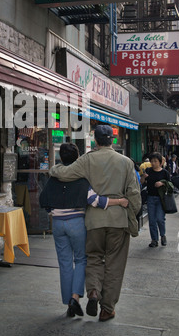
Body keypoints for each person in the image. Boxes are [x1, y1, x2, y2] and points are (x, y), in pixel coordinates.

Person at [50, 125, 141, 322]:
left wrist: (54, 167)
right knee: (115, 264)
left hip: (93, 221)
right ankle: (107, 308)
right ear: (112, 141)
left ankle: (93, 291)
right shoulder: (126, 162)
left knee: (93, 258)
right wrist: (132, 213)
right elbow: (133, 193)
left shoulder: (87, 159)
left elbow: (65, 174)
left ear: (96, 140)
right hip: (118, 219)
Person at [39, 142, 128, 318]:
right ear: (78, 158)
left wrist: (54, 212)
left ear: (60, 158)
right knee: (81, 260)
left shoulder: (53, 178)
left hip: (57, 224)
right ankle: (75, 297)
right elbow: (97, 201)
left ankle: (69, 303)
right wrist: (119, 202)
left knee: (64, 263)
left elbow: (44, 200)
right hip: (77, 223)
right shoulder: (81, 179)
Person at [141, 152, 170, 247]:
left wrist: (162, 183)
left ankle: (163, 235)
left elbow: (170, 185)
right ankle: (154, 239)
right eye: (151, 161)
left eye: (155, 161)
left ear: (160, 162)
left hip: (161, 199)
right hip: (150, 198)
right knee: (152, 220)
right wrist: (143, 177)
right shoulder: (148, 170)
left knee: (160, 219)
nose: (153, 163)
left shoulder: (164, 172)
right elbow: (142, 182)